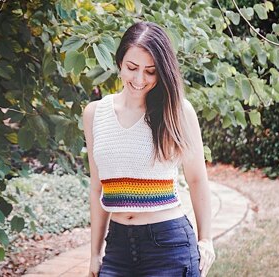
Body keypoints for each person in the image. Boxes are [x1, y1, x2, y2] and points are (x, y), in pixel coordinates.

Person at [83, 21, 215, 277]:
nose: (139, 79)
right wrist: (95, 254)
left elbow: (198, 179)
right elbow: (97, 187)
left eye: (151, 71)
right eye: (132, 68)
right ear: (120, 62)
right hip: (118, 247)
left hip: (169, 245)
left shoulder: (177, 112)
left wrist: (206, 239)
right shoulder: (94, 114)